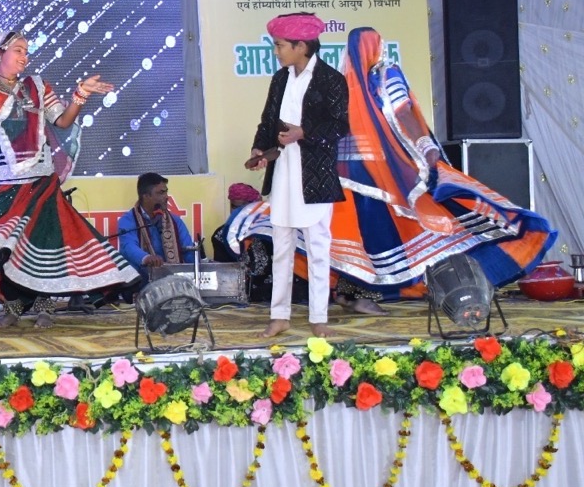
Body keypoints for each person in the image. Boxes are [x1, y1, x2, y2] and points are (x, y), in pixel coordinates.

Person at [228, 27, 555, 307]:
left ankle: (353, 295)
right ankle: (368, 295)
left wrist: (271, 153)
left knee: (353, 245)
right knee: (392, 238)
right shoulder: (385, 75)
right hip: (382, 177)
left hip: (343, 178)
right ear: (376, 48)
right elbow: (403, 112)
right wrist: (427, 149)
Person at [0, 30, 138, 327]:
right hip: (0, 184)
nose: (24, 57)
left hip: (40, 180)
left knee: (44, 243)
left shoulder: (37, 87)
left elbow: (62, 121)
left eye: (26, 51)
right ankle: (14, 305)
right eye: (18, 50)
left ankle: (44, 306)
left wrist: (80, 94)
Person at [247, 12, 349, 338]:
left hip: (315, 174)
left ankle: (319, 317)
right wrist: (260, 150)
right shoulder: (280, 79)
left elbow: (340, 126)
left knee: (318, 247)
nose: (276, 52)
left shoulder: (331, 80)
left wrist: (304, 132)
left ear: (301, 46)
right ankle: (280, 316)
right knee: (281, 247)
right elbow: (268, 121)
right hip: (283, 171)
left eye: (280, 46)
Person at [117, 173, 198, 287]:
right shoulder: (128, 220)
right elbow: (129, 247)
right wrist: (146, 258)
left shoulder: (174, 221)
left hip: (172, 283)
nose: (166, 197)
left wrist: (200, 265)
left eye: (166, 192)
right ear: (146, 196)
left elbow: (188, 250)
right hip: (141, 283)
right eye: (161, 193)